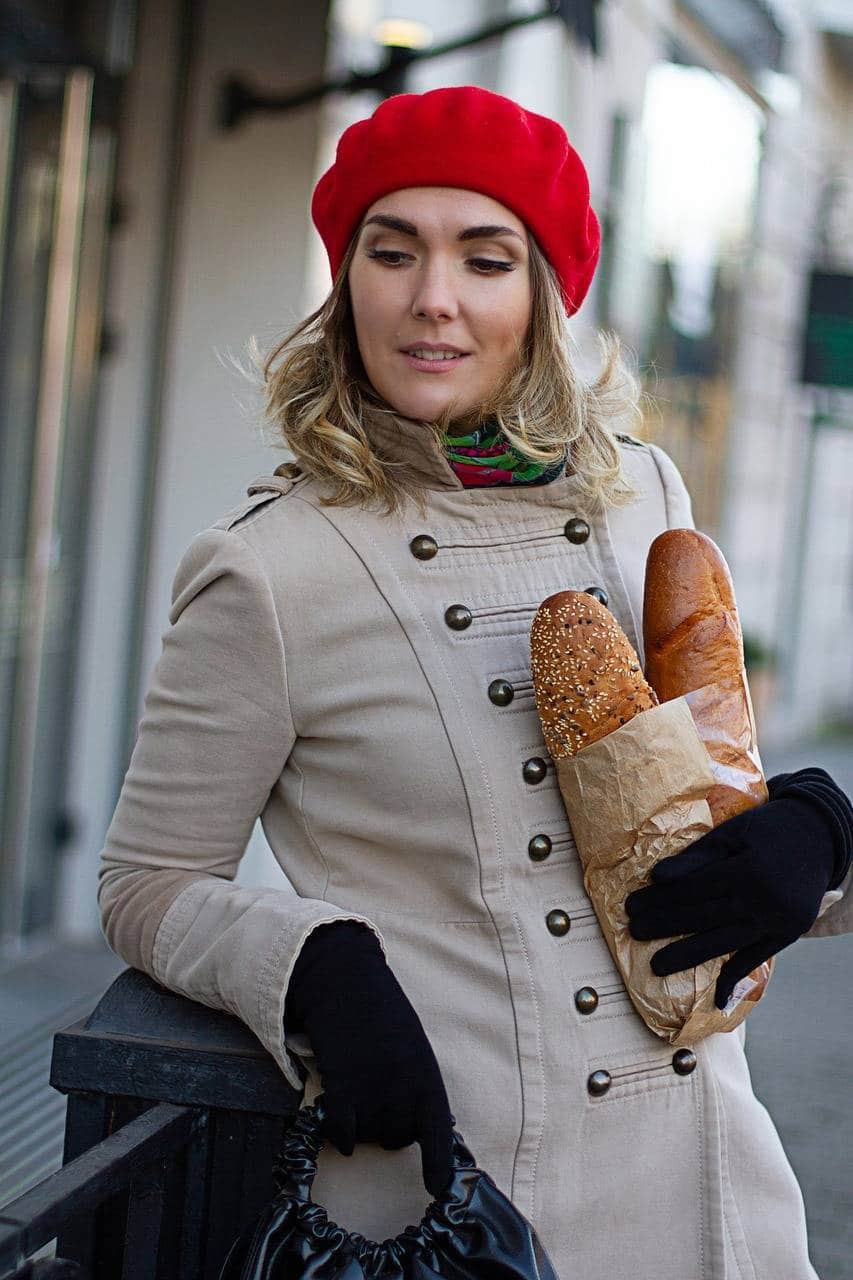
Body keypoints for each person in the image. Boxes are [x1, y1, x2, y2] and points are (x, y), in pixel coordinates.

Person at [98, 86, 853, 1279]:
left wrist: (817, 834)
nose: (431, 297)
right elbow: (144, 881)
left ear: (543, 298)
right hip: (477, 1213)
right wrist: (308, 965)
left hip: (720, 1201)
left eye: (483, 257)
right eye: (389, 251)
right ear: (345, 282)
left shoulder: (641, 496)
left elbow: (687, 834)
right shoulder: (271, 566)